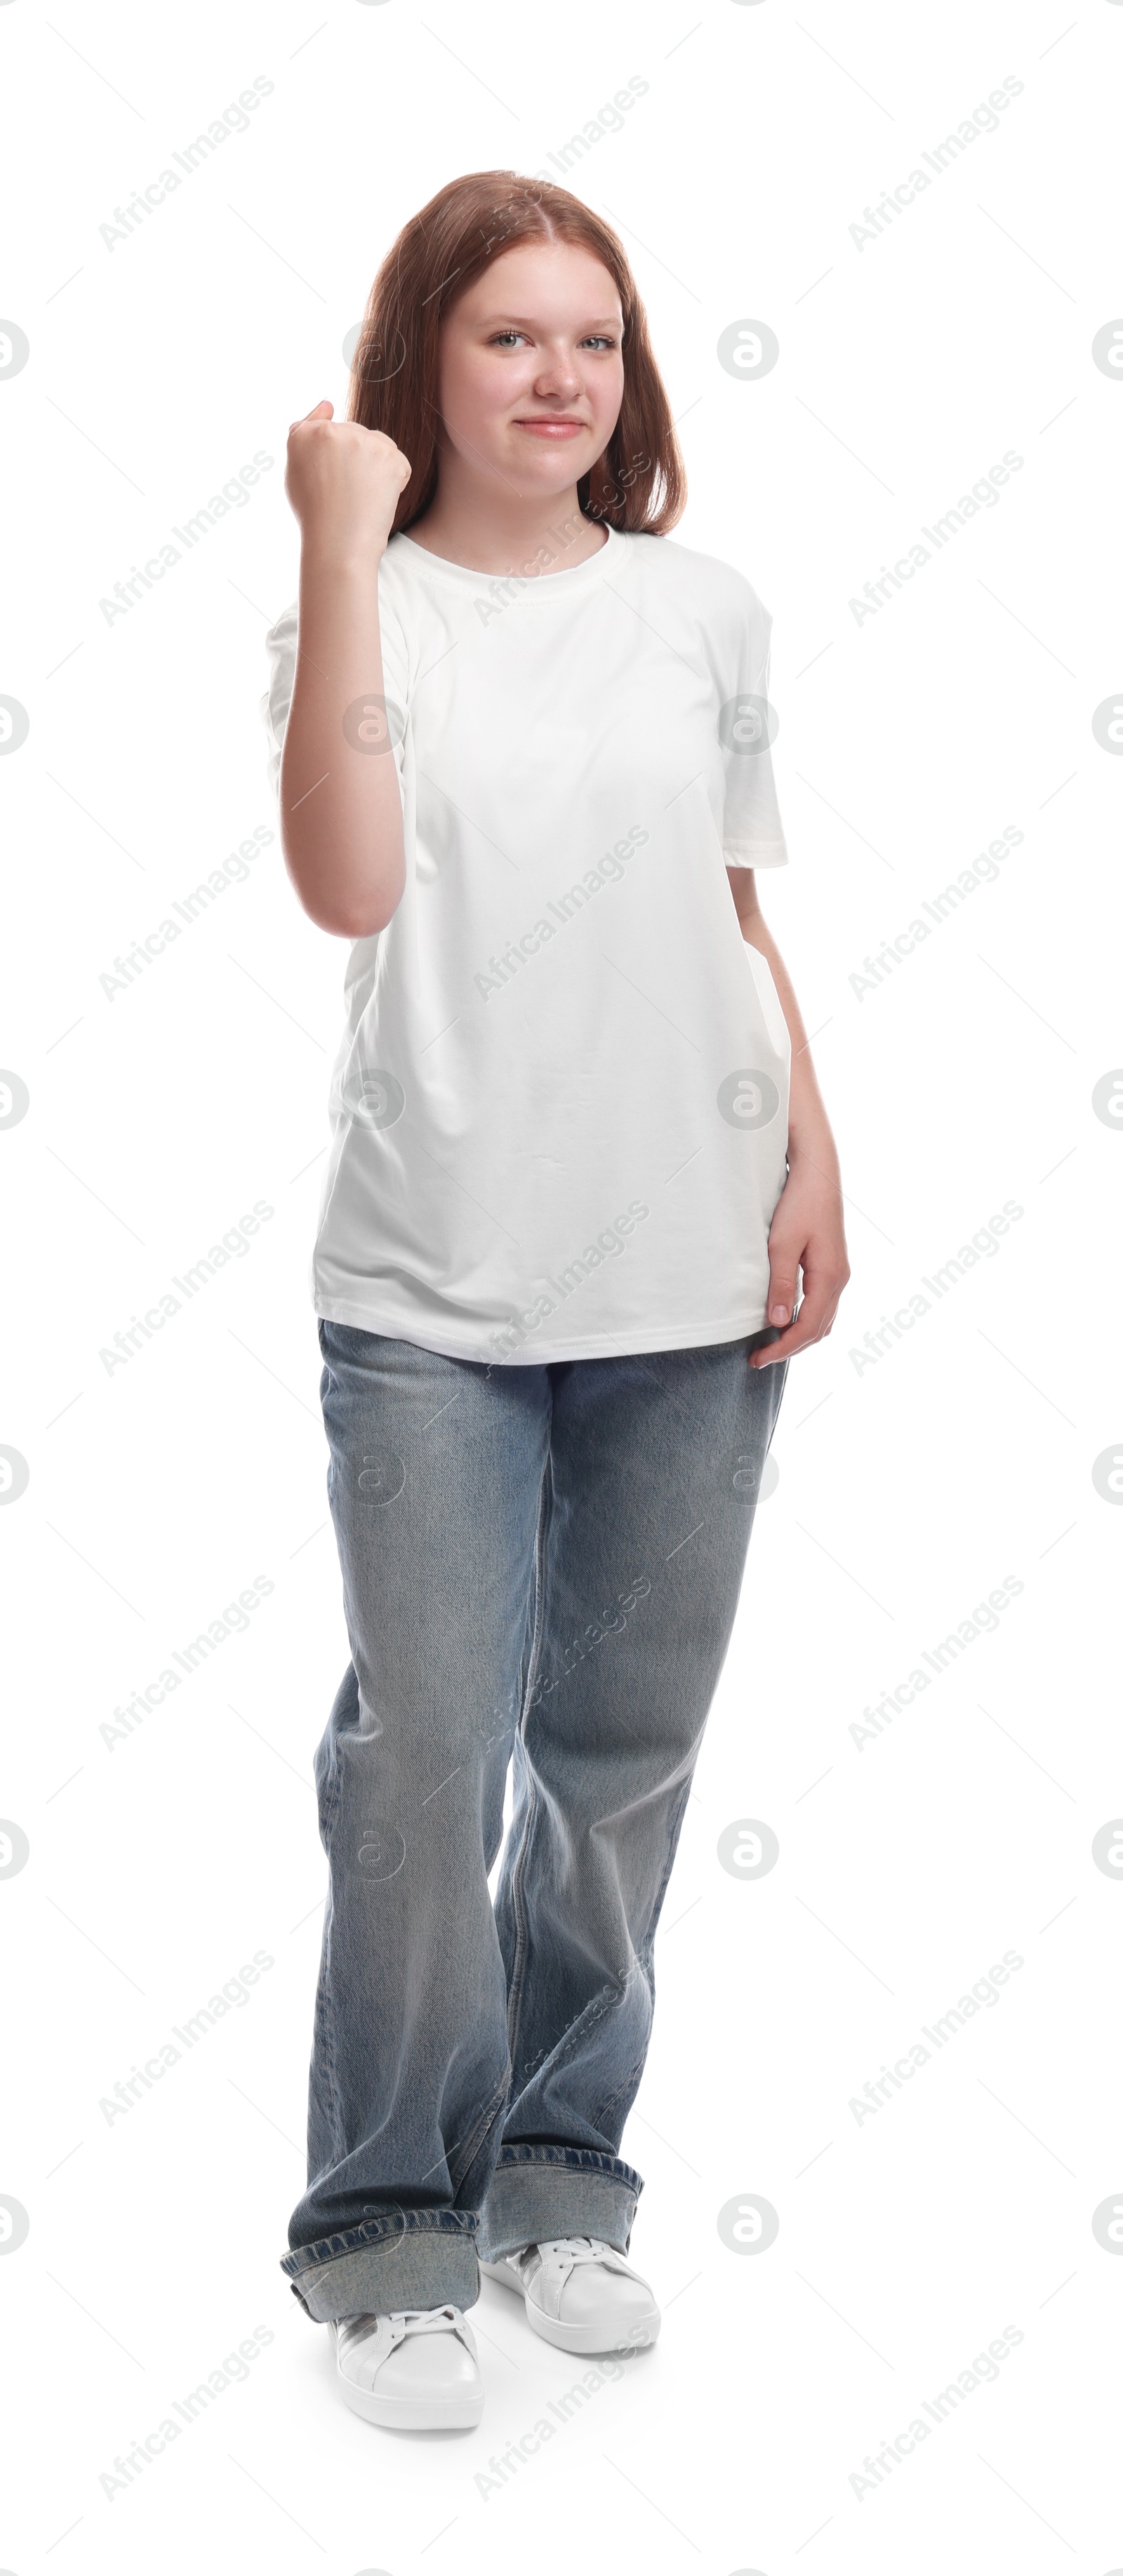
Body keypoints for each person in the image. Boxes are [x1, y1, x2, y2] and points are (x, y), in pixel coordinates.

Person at [260, 169, 849, 2433]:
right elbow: (346, 883)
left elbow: (734, 909)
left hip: (686, 1267)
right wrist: (336, 539)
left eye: (592, 339)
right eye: (511, 336)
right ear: (426, 360)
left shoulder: (706, 607)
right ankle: (383, 2230)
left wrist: (815, 1145)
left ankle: (559, 2178)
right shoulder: (365, 604)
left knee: (619, 1759)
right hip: (433, 1280)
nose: (560, 378)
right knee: (423, 1759)